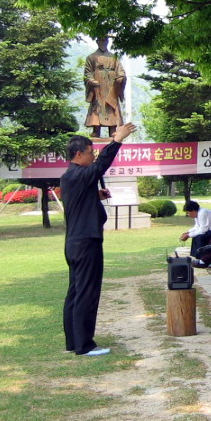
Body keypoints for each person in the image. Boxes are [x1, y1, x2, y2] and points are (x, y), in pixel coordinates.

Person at [60, 123, 137, 356]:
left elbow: (82, 196)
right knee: (87, 293)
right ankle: (85, 345)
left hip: (74, 243)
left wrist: (96, 195)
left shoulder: (70, 177)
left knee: (75, 292)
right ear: (78, 154)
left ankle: (74, 342)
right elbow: (102, 165)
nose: (94, 156)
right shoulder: (80, 174)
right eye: (90, 152)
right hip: (86, 242)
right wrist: (118, 140)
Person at [83, 38, 126, 138]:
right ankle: (96, 130)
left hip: (111, 85)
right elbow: (87, 74)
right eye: (101, 40)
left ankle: (113, 129)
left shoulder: (114, 57)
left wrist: (120, 78)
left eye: (105, 40)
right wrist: (92, 81)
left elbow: (121, 71)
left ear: (107, 42)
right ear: (97, 42)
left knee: (111, 104)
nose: (103, 42)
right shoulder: (91, 57)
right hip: (98, 87)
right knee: (97, 105)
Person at [180, 200, 211, 267]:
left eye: (188, 213)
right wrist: (189, 232)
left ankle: (203, 260)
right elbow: (197, 226)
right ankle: (199, 257)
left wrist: (188, 235)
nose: (188, 215)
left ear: (193, 211)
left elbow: (203, 229)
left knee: (199, 237)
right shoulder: (198, 214)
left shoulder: (202, 213)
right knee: (196, 236)